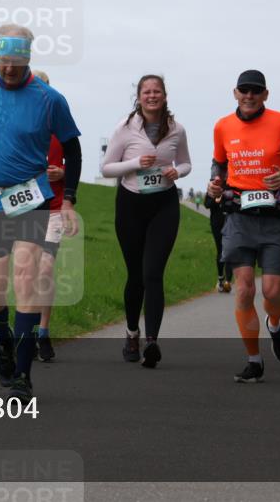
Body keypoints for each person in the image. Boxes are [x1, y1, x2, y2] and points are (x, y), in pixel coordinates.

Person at [0, 25, 82, 403]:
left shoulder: (49, 99)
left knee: (26, 278)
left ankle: (23, 376)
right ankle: (4, 339)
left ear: (29, 58)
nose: (9, 69)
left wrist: (68, 200)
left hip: (30, 199)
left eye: (17, 62)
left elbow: (73, 151)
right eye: (3, 61)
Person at [207, 70, 280, 383]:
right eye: (244, 90)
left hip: (273, 219)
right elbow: (219, 163)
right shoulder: (222, 126)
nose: (249, 96)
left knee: (274, 291)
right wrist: (215, 182)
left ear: (265, 95)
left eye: (256, 91)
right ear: (235, 93)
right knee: (245, 289)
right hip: (238, 217)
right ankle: (254, 360)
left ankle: (274, 325)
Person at [101, 75, 191, 367]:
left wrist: (178, 172)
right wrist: (134, 163)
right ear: (139, 97)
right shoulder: (125, 128)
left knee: (153, 273)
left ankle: (151, 341)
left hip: (164, 205)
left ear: (164, 96)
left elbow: (186, 162)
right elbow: (106, 168)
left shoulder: (176, 129)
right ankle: (132, 333)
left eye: (157, 91)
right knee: (136, 276)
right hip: (131, 205)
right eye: (147, 92)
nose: (152, 96)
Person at [31, 70, 67, 362]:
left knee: (44, 270)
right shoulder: (17, 126)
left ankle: (42, 332)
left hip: (54, 208)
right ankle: (24, 331)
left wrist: (62, 173)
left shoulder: (60, 126)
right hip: (22, 209)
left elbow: (75, 162)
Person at [204, 191, 232, 293]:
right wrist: (216, 200)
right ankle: (220, 278)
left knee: (230, 251)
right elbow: (207, 204)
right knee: (221, 251)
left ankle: (228, 281)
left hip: (231, 223)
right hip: (217, 224)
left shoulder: (232, 186)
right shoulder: (213, 188)